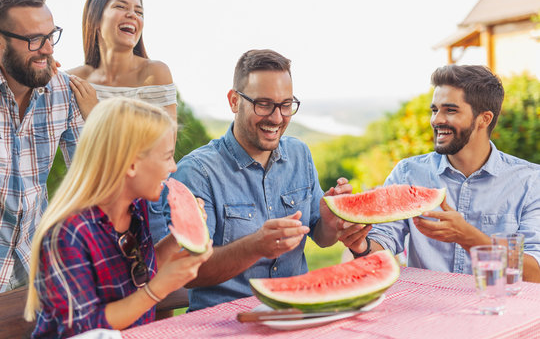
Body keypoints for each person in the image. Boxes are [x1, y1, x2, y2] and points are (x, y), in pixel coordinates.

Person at [153, 49, 360, 311]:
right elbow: (189, 273)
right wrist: (256, 246)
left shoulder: (300, 155)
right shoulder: (197, 171)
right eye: (263, 104)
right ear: (234, 101)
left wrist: (330, 223)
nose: (276, 118)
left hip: (295, 314)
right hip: (225, 324)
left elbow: (322, 238)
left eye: (286, 105)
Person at [24, 98, 212, 338]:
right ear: (131, 164)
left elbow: (147, 268)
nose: (174, 167)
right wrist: (157, 290)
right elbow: (84, 329)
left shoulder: (136, 207)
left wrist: (182, 235)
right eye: (167, 156)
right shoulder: (68, 233)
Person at [341, 64, 540, 282]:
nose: (436, 120)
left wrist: (469, 237)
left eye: (450, 110)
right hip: (427, 310)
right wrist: (361, 245)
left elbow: (535, 272)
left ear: (484, 118)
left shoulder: (530, 181)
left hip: (499, 309)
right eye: (435, 110)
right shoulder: (409, 173)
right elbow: (382, 241)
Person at [0, 0, 84, 293]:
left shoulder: (63, 90)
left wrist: (97, 116)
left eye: (50, 36)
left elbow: (91, 177)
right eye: (35, 39)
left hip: (33, 272)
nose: (48, 49)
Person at [67, 0, 176, 122]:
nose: (133, 15)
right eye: (121, 6)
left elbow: (166, 144)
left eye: (139, 12)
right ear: (95, 19)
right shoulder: (73, 80)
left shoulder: (154, 74)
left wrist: (93, 112)